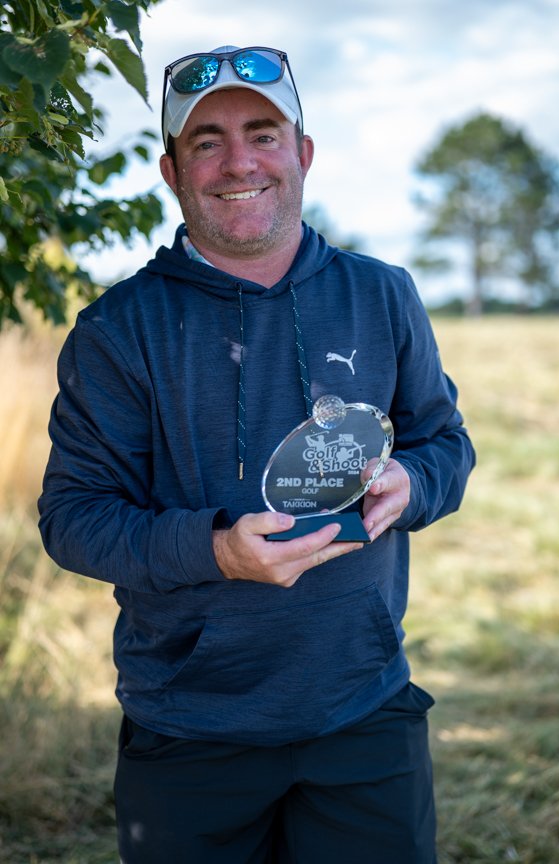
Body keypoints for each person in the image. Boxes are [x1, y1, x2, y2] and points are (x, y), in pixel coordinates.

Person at [39, 45, 475, 864]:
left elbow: (445, 442)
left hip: (364, 711)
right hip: (192, 728)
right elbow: (73, 520)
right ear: (171, 170)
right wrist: (214, 552)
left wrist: (414, 483)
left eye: (263, 133)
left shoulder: (383, 294)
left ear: (302, 153)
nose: (238, 160)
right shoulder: (116, 330)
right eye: (206, 141)